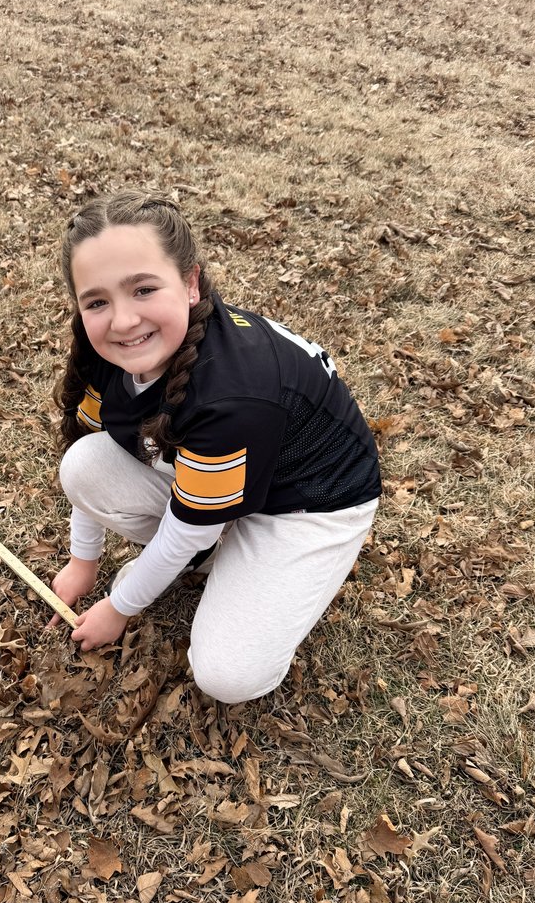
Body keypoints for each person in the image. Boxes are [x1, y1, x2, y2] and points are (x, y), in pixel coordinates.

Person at [48, 189, 381, 705]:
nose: (122, 321)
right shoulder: (107, 350)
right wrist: (83, 562)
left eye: (142, 289)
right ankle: (223, 546)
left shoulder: (233, 395)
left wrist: (119, 606)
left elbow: (182, 534)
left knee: (228, 675)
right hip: (232, 470)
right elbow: (96, 437)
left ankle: (255, 557)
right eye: (97, 301)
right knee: (85, 466)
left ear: (190, 283)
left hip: (310, 500)